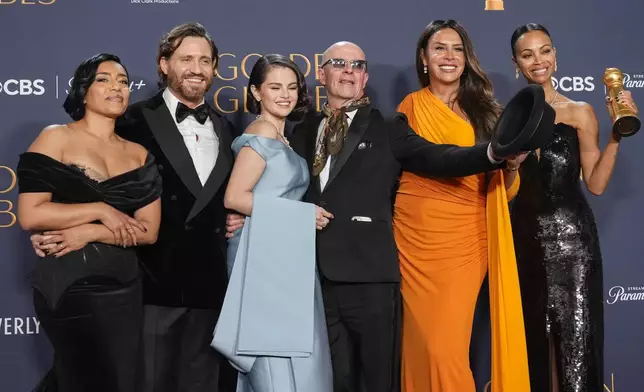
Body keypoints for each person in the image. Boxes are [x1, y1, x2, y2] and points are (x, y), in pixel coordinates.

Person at [287, 40, 522, 392]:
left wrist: (491, 154)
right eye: (338, 63)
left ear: (365, 78)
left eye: (358, 66)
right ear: (322, 74)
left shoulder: (388, 125)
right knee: (332, 380)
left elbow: (438, 157)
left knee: (381, 379)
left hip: (371, 276)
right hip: (313, 278)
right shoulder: (302, 130)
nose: (349, 71)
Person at [31, 22, 240, 392]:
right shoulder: (127, 118)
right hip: (144, 288)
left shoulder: (229, 129)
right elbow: (78, 182)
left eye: (205, 60)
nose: (196, 68)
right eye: (186, 58)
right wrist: (63, 229)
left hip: (210, 288)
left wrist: (241, 217)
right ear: (163, 64)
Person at [392, 20, 530, 392]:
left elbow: (506, 190)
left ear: (467, 58)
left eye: (456, 49)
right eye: (439, 48)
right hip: (414, 239)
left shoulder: (486, 112)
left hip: (465, 239)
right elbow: (419, 159)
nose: (448, 57)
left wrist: (513, 168)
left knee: (444, 349)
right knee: (418, 345)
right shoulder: (411, 106)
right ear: (424, 58)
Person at [17, 53, 162, 392]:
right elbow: (31, 214)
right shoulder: (57, 138)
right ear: (83, 91)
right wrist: (99, 208)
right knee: (84, 378)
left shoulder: (139, 154)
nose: (117, 87)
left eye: (123, 82)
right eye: (104, 79)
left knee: (119, 382)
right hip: (70, 284)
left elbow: (149, 231)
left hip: (124, 287)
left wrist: (92, 230)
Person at [509, 23, 638, 392]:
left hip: (574, 246)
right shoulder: (506, 118)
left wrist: (616, 136)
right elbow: (500, 193)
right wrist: (511, 167)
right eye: (528, 54)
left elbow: (596, 184)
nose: (538, 60)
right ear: (516, 62)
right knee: (532, 344)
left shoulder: (579, 112)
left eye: (545, 51)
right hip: (525, 242)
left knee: (576, 347)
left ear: (555, 56)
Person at [211, 54, 333, 392]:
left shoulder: (284, 138)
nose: (285, 95)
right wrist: (303, 214)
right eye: (275, 87)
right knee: (271, 353)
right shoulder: (261, 132)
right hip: (263, 260)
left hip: (284, 256)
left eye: (292, 87)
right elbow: (234, 197)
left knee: (290, 353)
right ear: (256, 91)